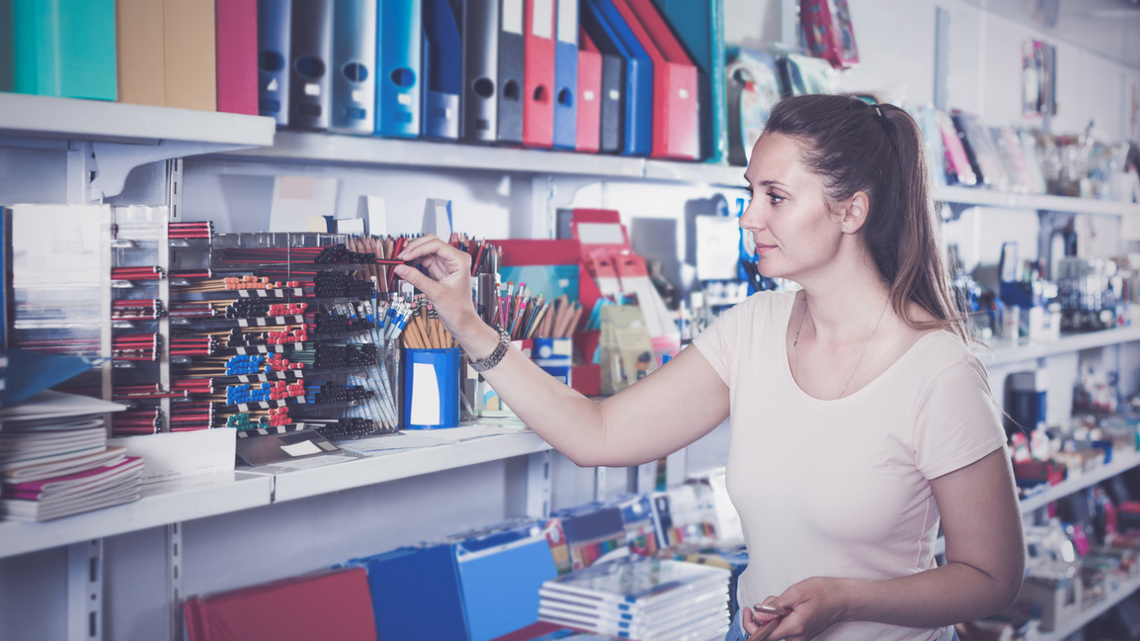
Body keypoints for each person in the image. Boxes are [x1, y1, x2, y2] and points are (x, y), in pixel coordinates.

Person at [393, 94, 1025, 641]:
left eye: (775, 197)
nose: (750, 216)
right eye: (749, 193)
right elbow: (599, 434)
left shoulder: (937, 371)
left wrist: (846, 597)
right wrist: (469, 324)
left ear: (850, 211)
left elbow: (992, 579)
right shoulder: (750, 329)